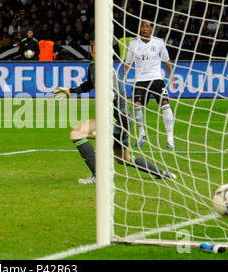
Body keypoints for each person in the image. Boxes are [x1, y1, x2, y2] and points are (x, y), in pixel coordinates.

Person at [54, 42, 176, 184]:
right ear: (92, 54)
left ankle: (97, 175)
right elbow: (89, 84)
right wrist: (71, 91)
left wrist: (108, 121)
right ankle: (162, 173)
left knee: (77, 133)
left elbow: (112, 95)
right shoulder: (93, 67)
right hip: (115, 118)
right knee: (124, 159)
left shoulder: (108, 71)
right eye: (95, 52)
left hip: (118, 119)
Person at [123, 20, 176, 149]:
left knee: (165, 103)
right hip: (140, 80)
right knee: (136, 106)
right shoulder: (133, 43)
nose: (144, 29)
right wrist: (125, 74)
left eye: (147, 26)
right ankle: (141, 133)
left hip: (157, 79)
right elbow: (128, 62)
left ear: (152, 29)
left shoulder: (159, 43)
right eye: (142, 26)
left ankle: (170, 137)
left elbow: (166, 61)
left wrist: (171, 75)